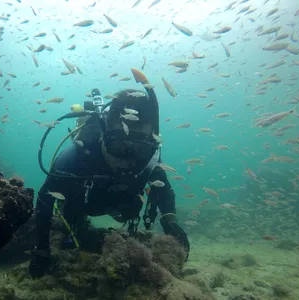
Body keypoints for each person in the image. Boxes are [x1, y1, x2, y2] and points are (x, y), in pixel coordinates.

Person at [29, 75, 190, 279]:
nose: (127, 159)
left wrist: (170, 222)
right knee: (72, 213)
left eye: (138, 150)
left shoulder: (150, 158)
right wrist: (42, 249)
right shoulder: (79, 153)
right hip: (85, 203)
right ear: (104, 137)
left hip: (124, 207)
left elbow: (163, 188)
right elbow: (46, 197)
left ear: (152, 142)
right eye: (119, 147)